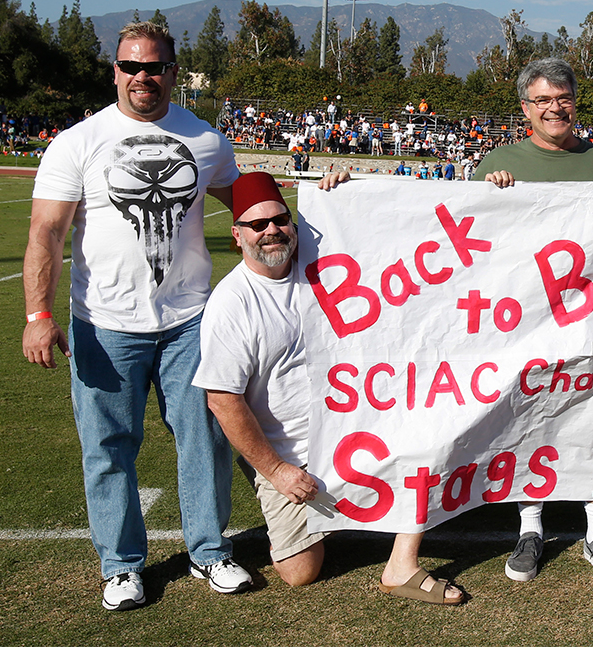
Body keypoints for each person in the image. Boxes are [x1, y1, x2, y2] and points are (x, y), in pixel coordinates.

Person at [22, 21, 251, 612]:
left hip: (190, 321)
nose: (142, 77)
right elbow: (46, 231)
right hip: (104, 323)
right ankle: (121, 566)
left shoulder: (205, 141)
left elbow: (252, 203)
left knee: (205, 437)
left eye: (154, 66)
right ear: (115, 71)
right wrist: (37, 313)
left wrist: (331, 194)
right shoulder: (78, 141)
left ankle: (209, 552)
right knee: (108, 447)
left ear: (173, 71)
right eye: (131, 66)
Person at [192, 172, 466, 604]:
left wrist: (349, 186)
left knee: (428, 431)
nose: (270, 231)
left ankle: (402, 564)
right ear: (237, 235)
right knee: (300, 572)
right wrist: (277, 471)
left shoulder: (326, 263)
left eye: (279, 220)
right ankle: (319, 509)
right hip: (290, 451)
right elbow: (223, 399)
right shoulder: (233, 303)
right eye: (257, 225)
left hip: (361, 423)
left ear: (294, 224)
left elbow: (401, 222)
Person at [475, 58, 593, 585]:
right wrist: (489, 193)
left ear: (574, 102)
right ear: (525, 108)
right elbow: (474, 243)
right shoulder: (498, 163)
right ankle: (531, 525)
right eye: (542, 100)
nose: (554, 108)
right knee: (528, 418)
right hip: (526, 321)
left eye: (562, 98)